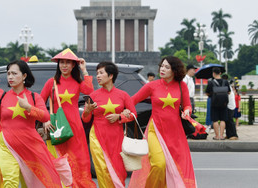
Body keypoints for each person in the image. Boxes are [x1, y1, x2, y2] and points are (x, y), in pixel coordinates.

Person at [0, 60, 72, 187]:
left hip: (30, 145)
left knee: (30, 183)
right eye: (8, 74)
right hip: (6, 144)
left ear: (24, 76)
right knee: (10, 181)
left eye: (14, 73)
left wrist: (29, 107)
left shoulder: (34, 97)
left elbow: (46, 117)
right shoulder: (2, 98)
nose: (10, 77)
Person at [128, 56, 196, 188]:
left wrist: (187, 111)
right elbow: (133, 100)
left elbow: (187, 105)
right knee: (159, 164)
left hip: (175, 133)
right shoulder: (152, 86)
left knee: (173, 168)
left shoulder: (181, 86)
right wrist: (123, 108)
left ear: (174, 71)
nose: (162, 69)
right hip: (156, 130)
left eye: (167, 67)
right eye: (162, 66)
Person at [40, 48, 96, 187]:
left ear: (73, 66)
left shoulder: (77, 82)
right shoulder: (51, 83)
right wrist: (45, 120)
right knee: (60, 161)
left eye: (68, 63)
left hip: (75, 128)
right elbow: (40, 102)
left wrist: (84, 70)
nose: (64, 65)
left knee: (79, 160)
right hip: (57, 128)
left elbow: (90, 92)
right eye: (62, 62)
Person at [82, 62, 136, 187]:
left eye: (101, 73)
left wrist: (120, 117)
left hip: (117, 138)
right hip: (97, 137)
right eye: (97, 74)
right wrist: (88, 111)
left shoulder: (123, 95)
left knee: (119, 170)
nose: (98, 76)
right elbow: (85, 119)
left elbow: (133, 115)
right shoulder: (93, 96)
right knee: (103, 170)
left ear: (111, 75)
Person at [205, 67, 231, 140]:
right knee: (223, 120)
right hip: (224, 103)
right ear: (220, 73)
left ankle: (217, 136)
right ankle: (222, 136)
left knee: (215, 120)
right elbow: (229, 92)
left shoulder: (211, 82)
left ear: (213, 73)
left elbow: (207, 93)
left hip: (214, 103)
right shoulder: (225, 82)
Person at [222, 75, 238, 140]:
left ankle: (234, 134)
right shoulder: (227, 85)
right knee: (227, 121)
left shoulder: (226, 86)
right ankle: (229, 135)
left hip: (230, 106)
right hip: (229, 105)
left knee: (230, 121)